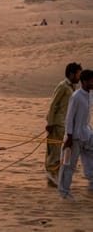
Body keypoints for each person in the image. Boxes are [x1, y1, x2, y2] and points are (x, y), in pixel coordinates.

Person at [45, 62, 82, 187]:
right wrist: (50, 123)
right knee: (54, 151)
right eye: (78, 74)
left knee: (63, 152)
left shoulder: (73, 88)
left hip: (66, 125)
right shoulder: (63, 86)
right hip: (57, 124)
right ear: (71, 74)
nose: (79, 77)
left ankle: (57, 178)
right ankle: (51, 177)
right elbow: (53, 104)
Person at [58, 69, 93, 201]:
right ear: (84, 82)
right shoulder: (76, 96)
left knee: (91, 158)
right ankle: (64, 193)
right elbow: (69, 117)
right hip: (74, 137)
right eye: (91, 81)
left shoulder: (89, 95)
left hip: (86, 134)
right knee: (68, 165)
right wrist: (69, 137)